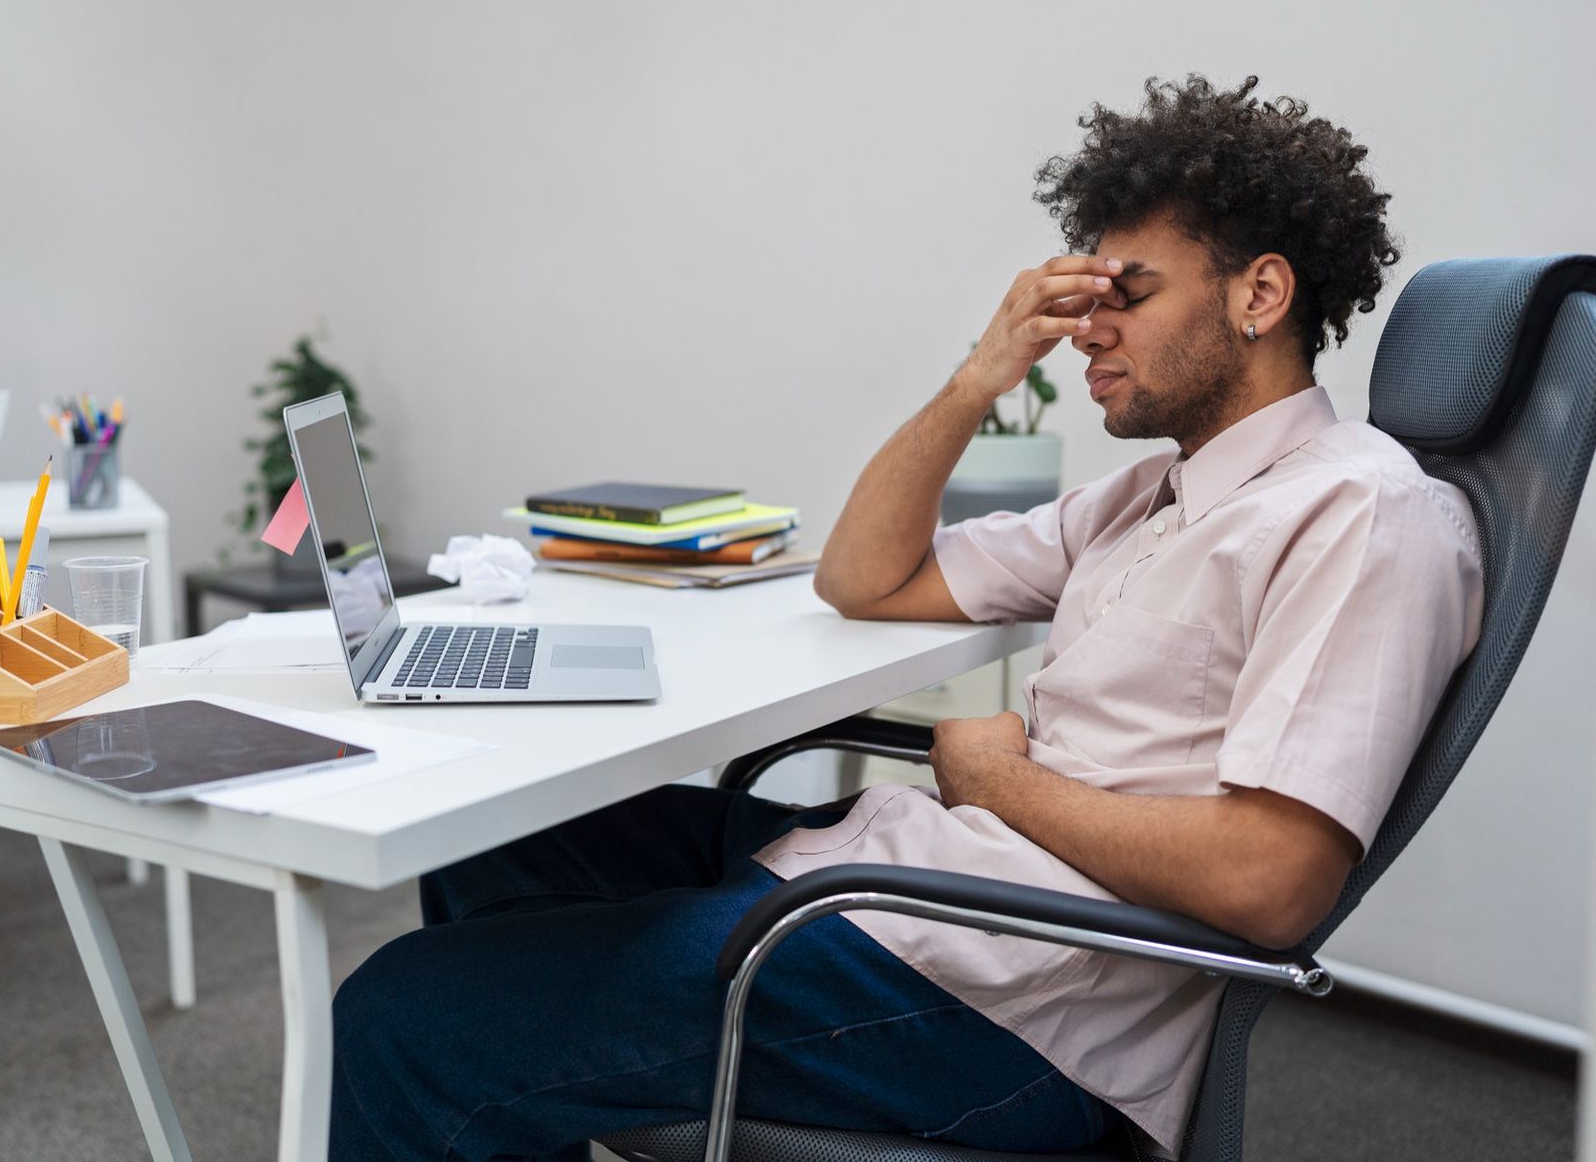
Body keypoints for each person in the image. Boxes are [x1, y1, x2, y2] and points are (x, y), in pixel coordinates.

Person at [327, 76, 1484, 1160]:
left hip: (1012, 1002)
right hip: (915, 884)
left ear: (1260, 294)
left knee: (404, 1012)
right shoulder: (1153, 496)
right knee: (501, 838)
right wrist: (982, 373)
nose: (1089, 329)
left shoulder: (1362, 513)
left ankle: (477, 1060)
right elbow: (863, 579)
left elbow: (1272, 883)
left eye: (1125, 295)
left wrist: (1000, 782)